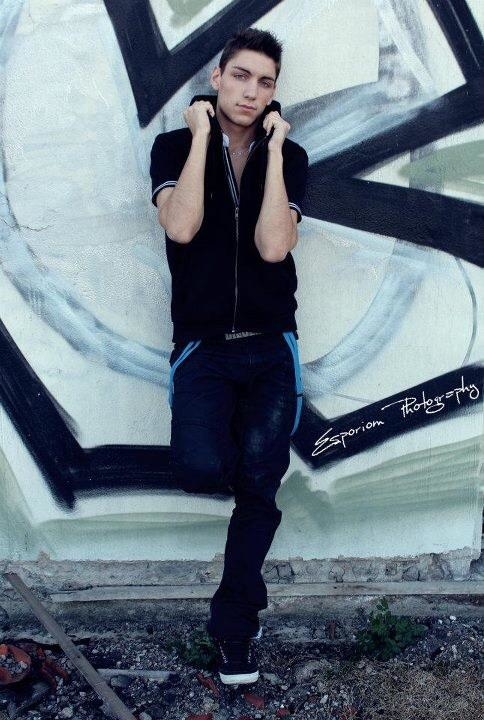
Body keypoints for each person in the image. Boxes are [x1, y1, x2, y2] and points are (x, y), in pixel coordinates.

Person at [150, 27, 308, 685]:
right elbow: (181, 225)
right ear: (217, 78)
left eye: (265, 82)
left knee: (260, 488)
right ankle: (251, 489)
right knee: (199, 464)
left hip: (271, 349)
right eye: (240, 76)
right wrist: (201, 140)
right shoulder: (172, 147)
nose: (251, 91)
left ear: (274, 93)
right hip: (203, 347)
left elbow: (274, 246)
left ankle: (235, 626)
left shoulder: (290, 156)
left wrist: (274, 153)